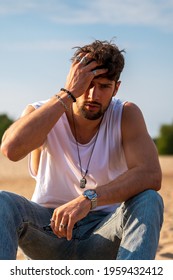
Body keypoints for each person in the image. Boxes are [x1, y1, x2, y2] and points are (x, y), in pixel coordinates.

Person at [0, 39, 163, 260]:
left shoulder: (125, 114)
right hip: (47, 233)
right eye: (88, 84)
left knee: (150, 199)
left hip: (102, 234)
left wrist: (88, 199)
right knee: (3, 202)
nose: (93, 95)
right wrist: (67, 94)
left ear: (116, 87)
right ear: (73, 79)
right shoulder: (42, 112)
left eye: (104, 86)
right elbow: (11, 150)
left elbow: (150, 174)